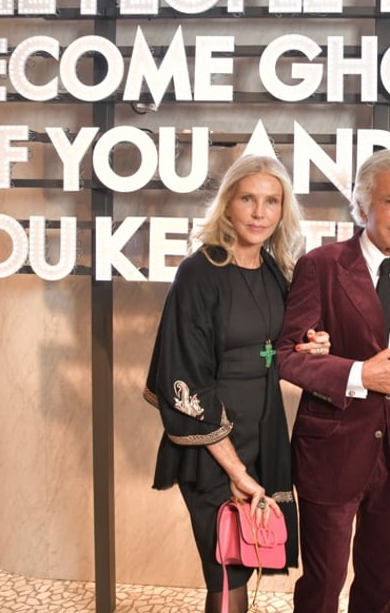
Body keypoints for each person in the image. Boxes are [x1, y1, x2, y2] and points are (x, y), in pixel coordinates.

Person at [143, 155, 328, 613]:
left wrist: (312, 344)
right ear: (228, 205)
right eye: (248, 199)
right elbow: (184, 375)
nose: (259, 212)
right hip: (213, 449)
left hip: (263, 440)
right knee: (226, 573)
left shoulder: (273, 269)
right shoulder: (199, 273)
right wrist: (235, 470)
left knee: (246, 557)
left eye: (271, 202)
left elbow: (278, 345)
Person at [276, 149, 390, 613]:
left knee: (379, 587)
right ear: (362, 204)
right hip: (332, 449)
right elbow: (286, 355)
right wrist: (357, 374)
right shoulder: (321, 265)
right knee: (323, 586)